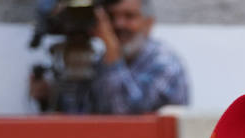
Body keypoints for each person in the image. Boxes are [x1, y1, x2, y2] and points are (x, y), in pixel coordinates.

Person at [29, 0, 189, 114]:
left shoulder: (164, 62)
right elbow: (81, 116)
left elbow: (125, 117)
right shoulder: (101, 62)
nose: (119, 24)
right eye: (112, 17)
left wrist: (112, 53)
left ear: (148, 23)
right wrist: (49, 97)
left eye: (129, 16)